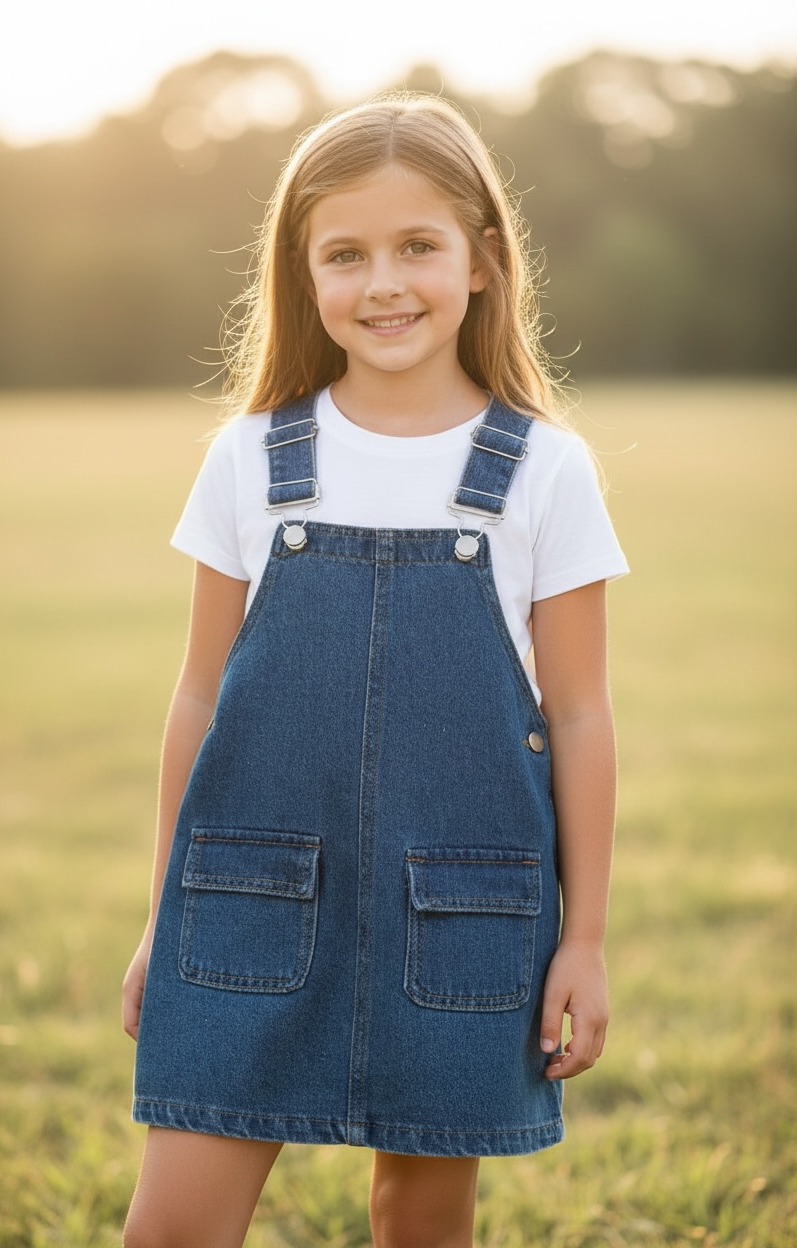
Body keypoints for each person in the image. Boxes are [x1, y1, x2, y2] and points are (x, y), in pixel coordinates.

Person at [121, 93, 628, 1248]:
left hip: (459, 907)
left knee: (421, 1221)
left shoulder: (546, 470)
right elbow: (198, 694)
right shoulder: (251, 458)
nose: (383, 282)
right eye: (344, 254)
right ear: (303, 277)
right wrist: (164, 912)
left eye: (418, 247)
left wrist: (584, 937)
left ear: (484, 261)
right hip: (244, 900)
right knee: (172, 1228)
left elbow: (582, 715)